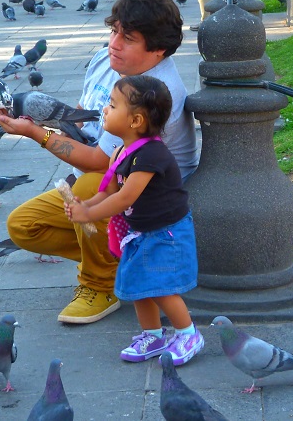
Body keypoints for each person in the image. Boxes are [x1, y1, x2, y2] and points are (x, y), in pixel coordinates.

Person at [0, 0, 198, 325]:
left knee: (89, 187)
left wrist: (34, 133)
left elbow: (102, 162)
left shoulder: (157, 90)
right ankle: (121, 263)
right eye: (114, 30)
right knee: (23, 226)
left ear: (157, 50)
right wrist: (29, 115)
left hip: (151, 194)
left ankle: (100, 286)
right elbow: (83, 118)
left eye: (128, 38)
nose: (114, 43)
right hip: (112, 172)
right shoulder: (105, 60)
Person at [65, 75, 202, 366]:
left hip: (167, 234)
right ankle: (153, 334)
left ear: (136, 120)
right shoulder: (121, 150)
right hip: (142, 232)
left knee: (163, 287)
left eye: (113, 105)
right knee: (138, 285)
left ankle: (188, 334)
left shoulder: (152, 155)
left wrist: (89, 215)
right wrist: (85, 204)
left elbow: (125, 197)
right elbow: (109, 190)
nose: (104, 109)